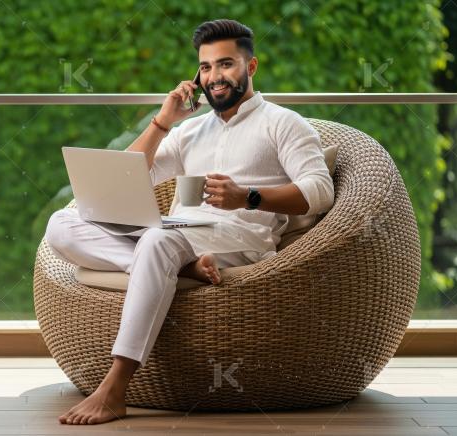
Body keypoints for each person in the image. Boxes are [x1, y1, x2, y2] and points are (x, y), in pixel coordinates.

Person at [45, 19, 334, 425]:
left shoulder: (283, 123)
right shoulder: (191, 130)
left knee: (156, 244)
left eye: (226, 64)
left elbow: (320, 191)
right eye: (206, 67)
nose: (214, 77)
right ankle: (181, 268)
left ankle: (115, 386)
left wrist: (247, 196)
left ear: (251, 68)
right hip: (178, 232)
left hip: (238, 234)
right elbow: (130, 175)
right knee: (62, 223)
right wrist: (163, 122)